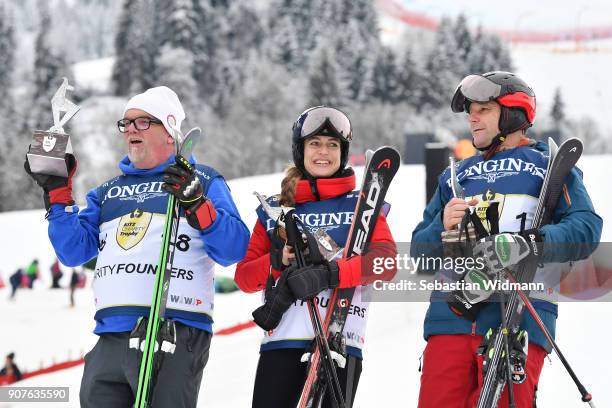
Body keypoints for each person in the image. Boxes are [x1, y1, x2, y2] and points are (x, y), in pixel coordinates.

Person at [25, 86, 250, 407]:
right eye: (126, 123)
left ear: (170, 132)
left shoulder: (203, 179)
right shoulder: (106, 193)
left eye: (143, 122)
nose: (130, 129)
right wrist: (58, 196)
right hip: (111, 331)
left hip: (175, 326)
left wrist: (198, 204)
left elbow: (235, 249)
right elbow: (73, 251)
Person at [412, 71, 602, 407]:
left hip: (520, 316)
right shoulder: (454, 176)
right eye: (470, 111)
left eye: (483, 109)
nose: (472, 118)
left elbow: (586, 227)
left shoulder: (548, 166)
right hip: (450, 317)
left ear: (512, 114)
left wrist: (529, 244)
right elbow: (419, 256)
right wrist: (441, 228)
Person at [235, 106, 397, 407]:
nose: (324, 152)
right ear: (301, 150)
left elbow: (387, 263)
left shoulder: (361, 207)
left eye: (332, 145)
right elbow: (243, 278)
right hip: (280, 344)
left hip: (340, 343)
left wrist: (332, 274)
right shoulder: (274, 210)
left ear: (343, 152)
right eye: (315, 144)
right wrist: (279, 259)